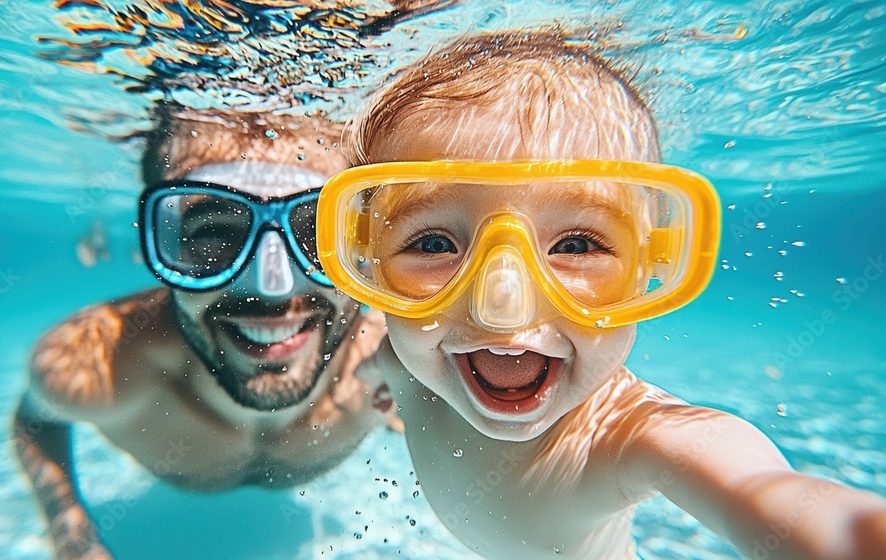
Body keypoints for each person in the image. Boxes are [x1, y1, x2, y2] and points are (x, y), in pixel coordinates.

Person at [316, 29, 886, 559]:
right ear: (373, 263)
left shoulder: (628, 438)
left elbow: (771, 493)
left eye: (578, 245)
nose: (502, 305)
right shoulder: (399, 356)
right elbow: (371, 368)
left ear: (648, 265)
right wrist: (378, 396)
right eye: (435, 242)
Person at [13, 107, 395, 560]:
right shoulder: (92, 365)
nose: (274, 288)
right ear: (165, 244)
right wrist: (71, 534)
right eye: (216, 234)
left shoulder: (401, 359)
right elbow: (36, 421)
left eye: (318, 234)